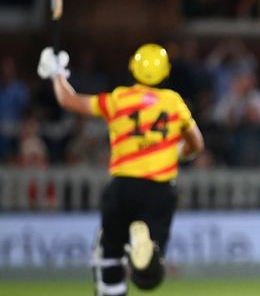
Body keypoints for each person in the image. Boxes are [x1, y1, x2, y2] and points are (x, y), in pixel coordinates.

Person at [37, 44, 204, 296]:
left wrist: (57, 73)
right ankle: (144, 248)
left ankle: (110, 288)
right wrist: (178, 152)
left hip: (123, 187)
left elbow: (69, 101)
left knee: (109, 255)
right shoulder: (173, 103)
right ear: (165, 72)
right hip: (160, 191)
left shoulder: (118, 99)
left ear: (133, 68)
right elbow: (197, 144)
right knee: (149, 278)